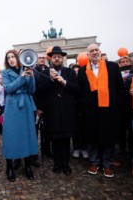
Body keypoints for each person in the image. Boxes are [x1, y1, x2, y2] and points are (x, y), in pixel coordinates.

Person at [77, 44, 125, 178]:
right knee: (92, 137)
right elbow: (80, 91)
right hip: (90, 110)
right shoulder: (82, 71)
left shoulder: (113, 67)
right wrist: (84, 104)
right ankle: (94, 162)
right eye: (91, 51)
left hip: (109, 109)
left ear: (100, 52)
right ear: (87, 55)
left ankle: (107, 164)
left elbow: (121, 88)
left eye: (96, 50)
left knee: (108, 137)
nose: (94, 52)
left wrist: (115, 103)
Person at [36, 46, 80, 175]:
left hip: (67, 110)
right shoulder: (44, 72)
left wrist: (64, 82)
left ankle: (65, 164)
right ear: (51, 58)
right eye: (55, 57)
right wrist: (50, 79)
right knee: (55, 139)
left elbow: (77, 88)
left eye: (59, 57)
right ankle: (57, 163)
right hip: (51, 110)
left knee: (66, 139)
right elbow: (40, 91)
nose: (57, 59)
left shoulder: (70, 72)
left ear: (62, 58)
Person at [1, 50, 38, 182]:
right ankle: (9, 167)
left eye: (13, 57)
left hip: (26, 104)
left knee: (27, 134)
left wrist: (31, 76)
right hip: (12, 105)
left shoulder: (25, 69)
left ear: (17, 58)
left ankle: (28, 166)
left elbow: (32, 90)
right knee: (11, 135)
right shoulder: (5, 73)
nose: (11, 59)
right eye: (8, 57)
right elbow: (9, 88)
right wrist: (22, 77)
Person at [70, 63, 89, 159]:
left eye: (78, 71)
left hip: (84, 107)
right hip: (73, 107)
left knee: (85, 128)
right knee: (75, 128)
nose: (76, 73)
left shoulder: (85, 81)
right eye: (75, 72)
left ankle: (84, 148)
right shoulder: (70, 81)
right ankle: (77, 148)